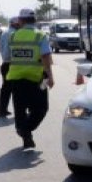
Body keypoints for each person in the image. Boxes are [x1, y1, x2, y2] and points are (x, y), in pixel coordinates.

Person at [6, 8, 54, 149]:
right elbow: (46, 56)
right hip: (38, 79)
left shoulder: (13, 36)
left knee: (20, 109)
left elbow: (8, 56)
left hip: (16, 78)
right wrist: (50, 76)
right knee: (41, 108)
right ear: (35, 21)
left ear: (20, 21)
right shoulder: (40, 36)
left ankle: (24, 131)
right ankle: (25, 131)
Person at [0, 16, 20, 118]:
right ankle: (19, 112)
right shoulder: (15, 34)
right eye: (19, 24)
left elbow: (0, 49)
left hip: (5, 64)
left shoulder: (4, 33)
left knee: (6, 88)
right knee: (17, 89)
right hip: (13, 64)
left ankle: (2, 110)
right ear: (15, 24)